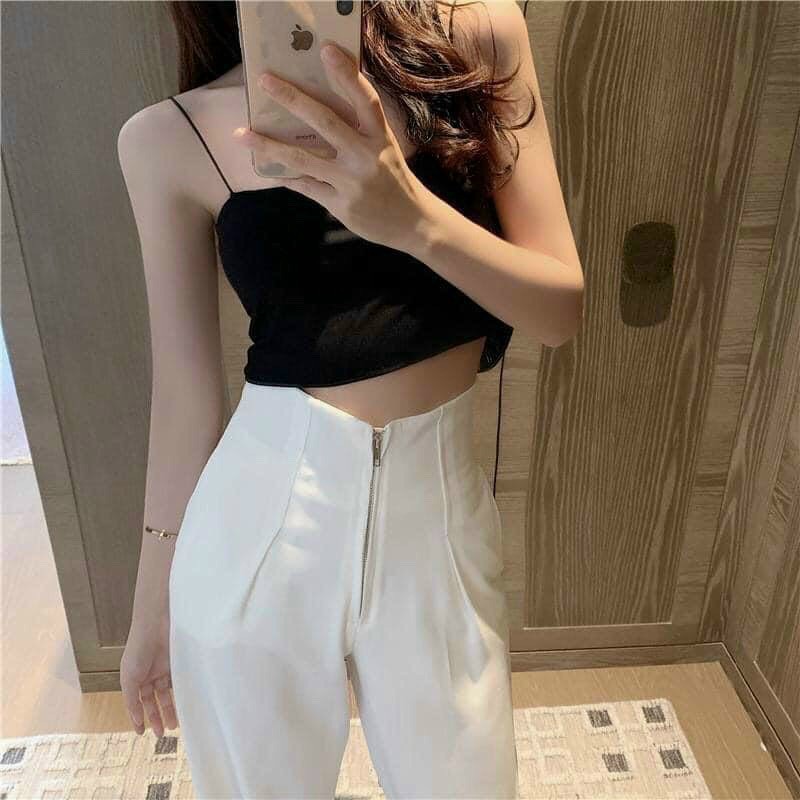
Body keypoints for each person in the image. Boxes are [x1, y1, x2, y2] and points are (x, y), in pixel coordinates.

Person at [117, 1, 583, 797]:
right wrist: (149, 606)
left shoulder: (477, 41)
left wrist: (410, 219)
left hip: (437, 521)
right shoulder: (168, 137)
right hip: (257, 531)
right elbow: (185, 395)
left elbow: (558, 311)